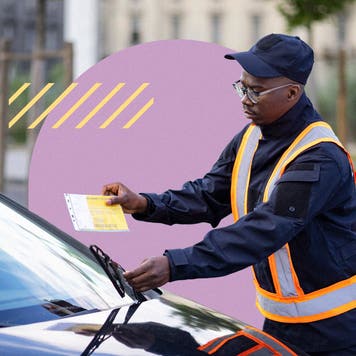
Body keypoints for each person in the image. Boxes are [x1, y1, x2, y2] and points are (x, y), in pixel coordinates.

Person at [102, 34, 356, 355]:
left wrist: (174, 264)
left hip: (336, 330)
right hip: (280, 321)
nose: (244, 99)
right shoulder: (251, 137)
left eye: (256, 91)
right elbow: (209, 195)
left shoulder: (319, 158)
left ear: (292, 93)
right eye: (241, 86)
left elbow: (264, 229)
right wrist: (145, 203)